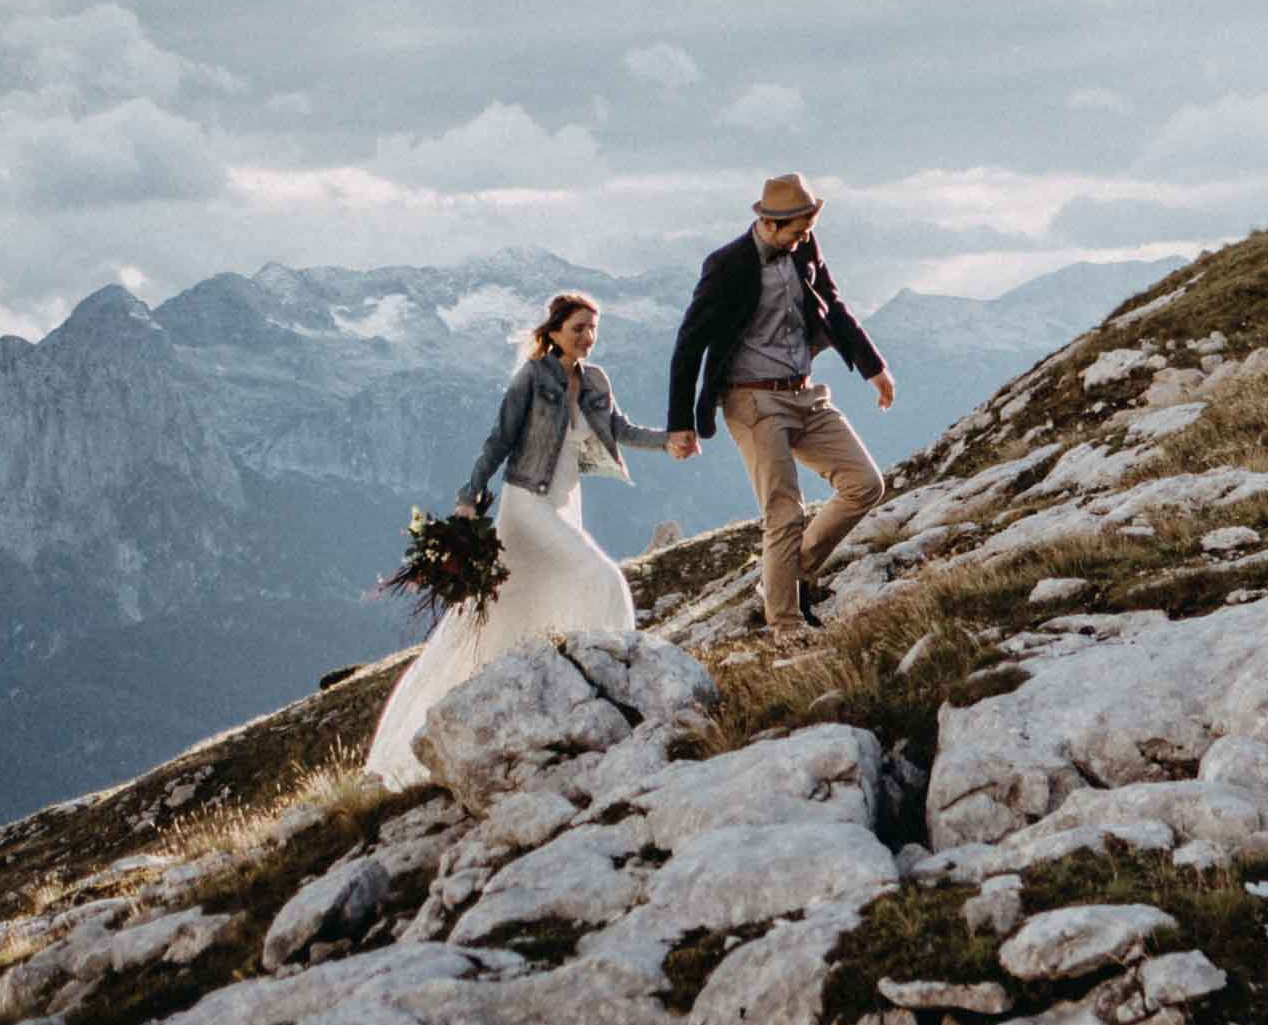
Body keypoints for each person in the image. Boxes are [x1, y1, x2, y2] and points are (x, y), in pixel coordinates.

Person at [361, 291, 657, 788]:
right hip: (527, 505)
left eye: (593, 329)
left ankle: (524, 698)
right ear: (555, 330)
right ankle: (619, 684)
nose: (587, 337)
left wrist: (670, 440)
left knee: (515, 609)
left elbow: (619, 430)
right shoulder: (533, 377)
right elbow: (498, 440)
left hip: (564, 503)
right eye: (578, 328)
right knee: (602, 578)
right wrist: (468, 495)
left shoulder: (595, 381)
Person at [666, 172, 894, 637]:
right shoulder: (727, 264)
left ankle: (785, 577)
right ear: (769, 224)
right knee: (784, 512)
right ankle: (786, 626)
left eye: (807, 230)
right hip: (752, 400)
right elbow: (690, 343)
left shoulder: (805, 249)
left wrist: (874, 367)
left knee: (865, 484)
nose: (803, 239)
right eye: (795, 231)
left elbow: (832, 302)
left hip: (804, 393)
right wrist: (681, 423)